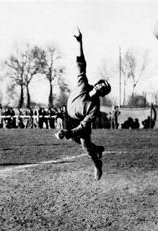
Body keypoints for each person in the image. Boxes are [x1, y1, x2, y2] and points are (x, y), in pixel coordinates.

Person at [54, 29, 111, 180]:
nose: (100, 88)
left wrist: (70, 132)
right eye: (101, 85)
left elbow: (84, 125)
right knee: (73, 139)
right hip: (68, 115)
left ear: (102, 93)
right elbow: (81, 63)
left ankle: (97, 164)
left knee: (85, 146)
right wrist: (80, 43)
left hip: (79, 122)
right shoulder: (83, 84)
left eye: (103, 89)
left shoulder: (94, 107)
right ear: (97, 84)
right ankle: (97, 148)